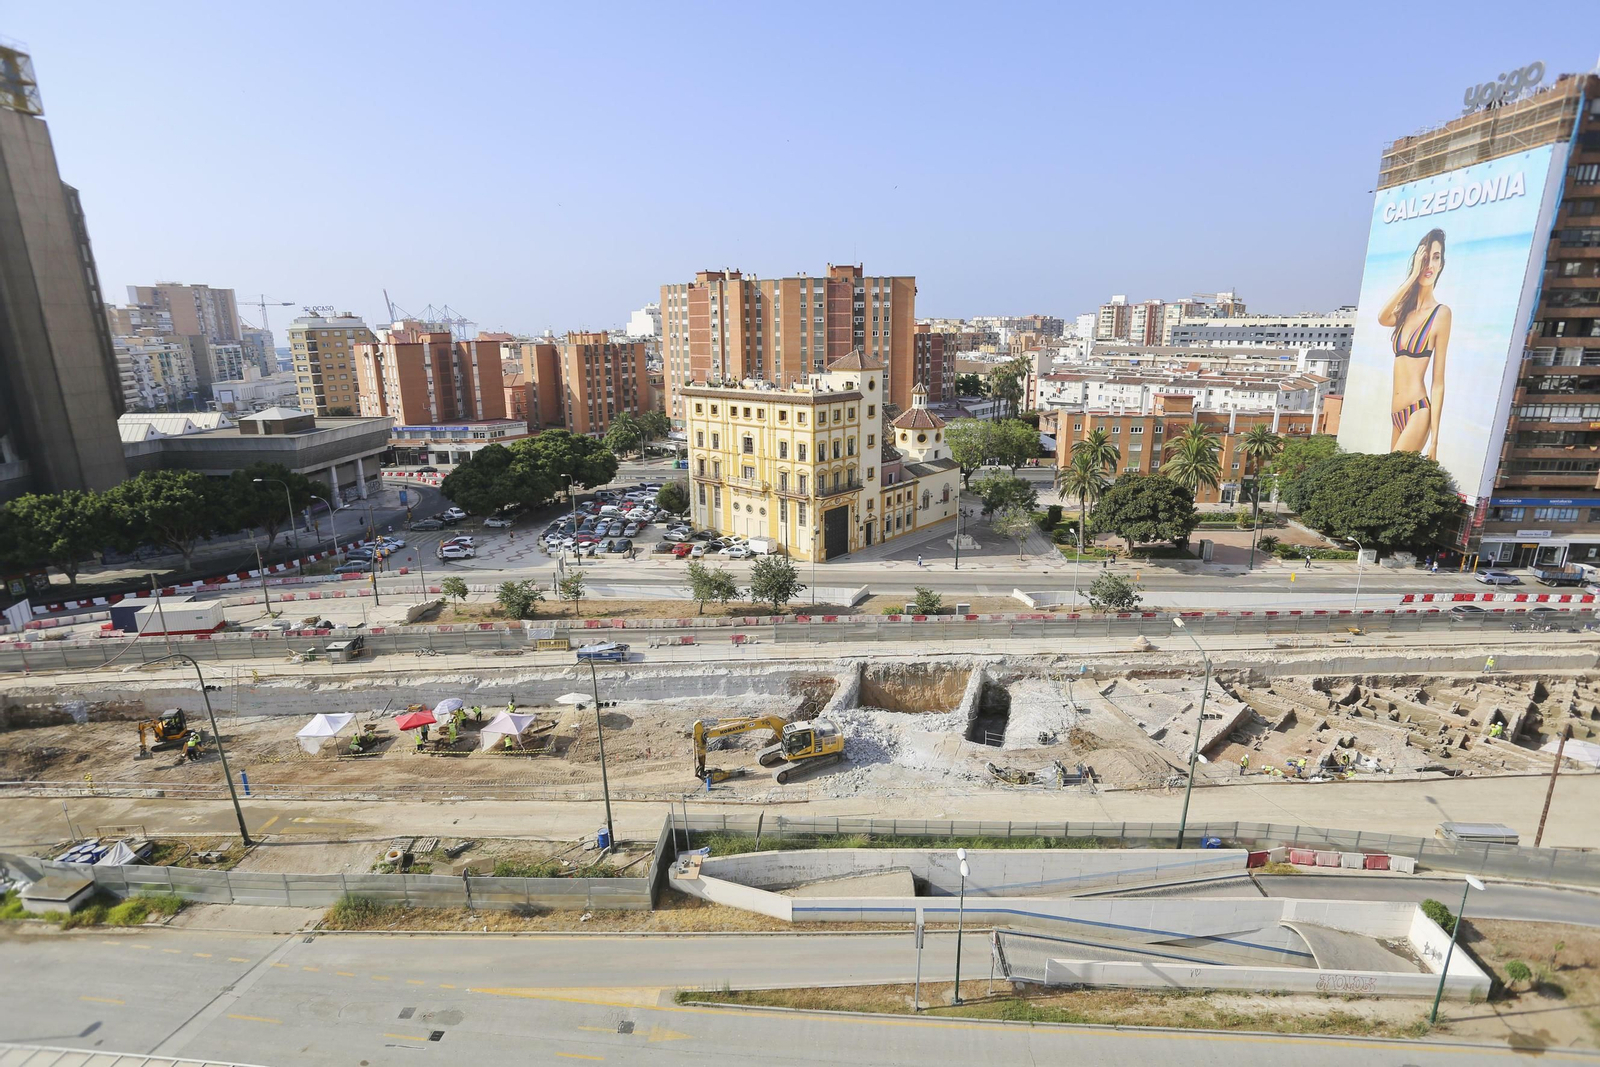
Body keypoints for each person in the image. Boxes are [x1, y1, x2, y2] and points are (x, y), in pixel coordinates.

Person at [1380, 227, 1453, 458]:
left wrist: (1435, 441)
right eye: (1425, 258)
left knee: (1390, 475)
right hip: (1396, 413)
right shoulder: (1405, 313)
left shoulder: (1441, 314)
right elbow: (1382, 317)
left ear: (1441, 263)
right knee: (1390, 481)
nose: (1429, 264)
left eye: (1436, 257)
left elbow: (1438, 382)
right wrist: (1411, 277)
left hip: (1418, 411)